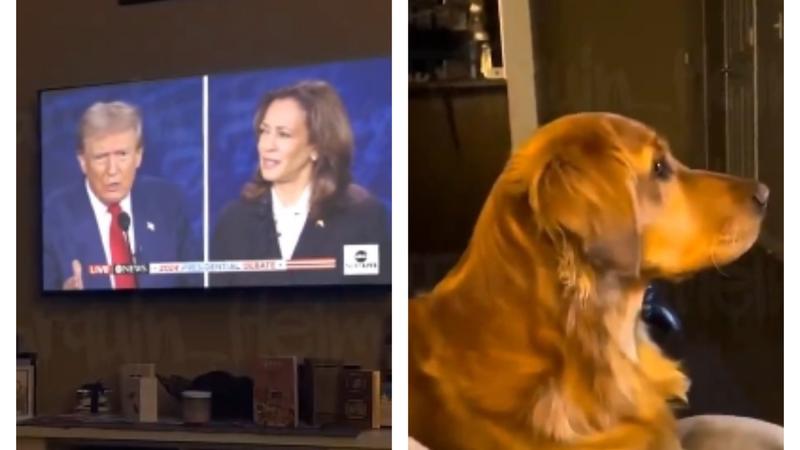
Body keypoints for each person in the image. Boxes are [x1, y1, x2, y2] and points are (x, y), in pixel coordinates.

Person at [211, 80, 390, 286]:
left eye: (283, 134)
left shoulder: (362, 217)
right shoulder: (234, 221)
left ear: (317, 146)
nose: (267, 145)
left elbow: (376, 306)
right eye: (264, 131)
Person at [43, 101, 199, 290]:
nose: (112, 170)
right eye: (101, 157)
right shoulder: (55, 216)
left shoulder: (166, 201)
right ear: (83, 161)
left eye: (122, 154)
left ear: (138, 155)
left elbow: (194, 282)